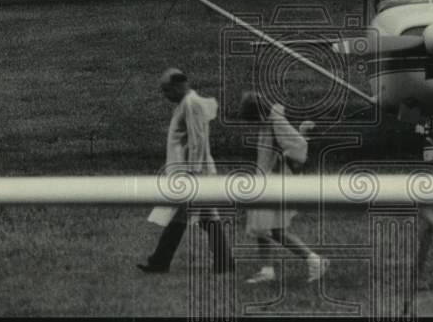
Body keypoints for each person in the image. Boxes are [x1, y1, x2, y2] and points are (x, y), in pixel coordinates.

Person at [138, 68, 233, 275]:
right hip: (193, 172)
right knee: (208, 217)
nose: (165, 96)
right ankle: (225, 262)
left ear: (177, 86)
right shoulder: (187, 103)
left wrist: (193, 172)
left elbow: (198, 140)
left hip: (195, 174)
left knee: (180, 217)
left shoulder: (191, 103)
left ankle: (159, 262)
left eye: (166, 91)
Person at [237, 91, 327, 284]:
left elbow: (298, 144)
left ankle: (315, 260)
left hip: (276, 183)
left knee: (277, 230)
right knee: (261, 228)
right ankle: (267, 270)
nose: (254, 124)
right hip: (265, 181)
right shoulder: (270, 120)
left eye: (254, 119)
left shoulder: (276, 121)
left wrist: (282, 161)